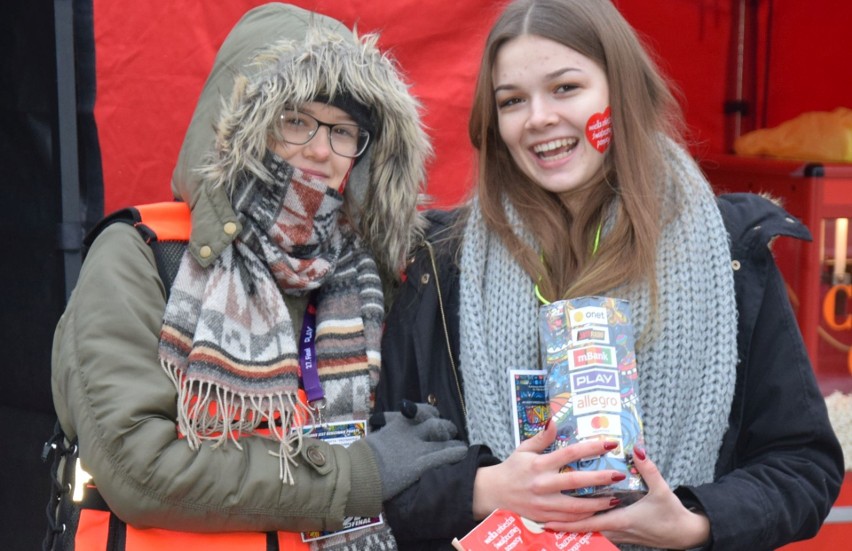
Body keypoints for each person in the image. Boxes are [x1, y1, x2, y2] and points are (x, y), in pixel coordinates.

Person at [376, 0, 845, 549]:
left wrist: (693, 524)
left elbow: (802, 465)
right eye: (512, 101)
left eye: (566, 88)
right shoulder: (440, 263)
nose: (539, 118)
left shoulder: (730, 249)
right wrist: (484, 489)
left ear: (620, 92)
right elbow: (386, 468)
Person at [50, 3, 466, 549]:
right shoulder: (140, 254)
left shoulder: (365, 276)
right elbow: (137, 468)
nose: (321, 150)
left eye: (344, 131)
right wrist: (360, 473)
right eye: (295, 120)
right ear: (239, 124)